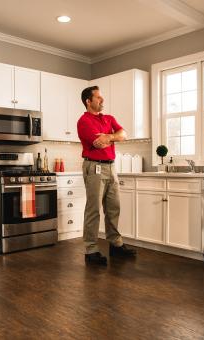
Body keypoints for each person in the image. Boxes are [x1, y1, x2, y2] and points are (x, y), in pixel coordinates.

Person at [77, 86, 137, 265]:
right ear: (88, 101)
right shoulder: (84, 121)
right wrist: (112, 136)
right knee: (93, 209)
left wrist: (109, 136)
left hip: (111, 167)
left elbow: (123, 135)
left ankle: (115, 244)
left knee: (113, 207)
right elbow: (99, 143)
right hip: (94, 166)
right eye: (98, 97)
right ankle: (91, 250)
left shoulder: (109, 118)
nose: (102, 100)